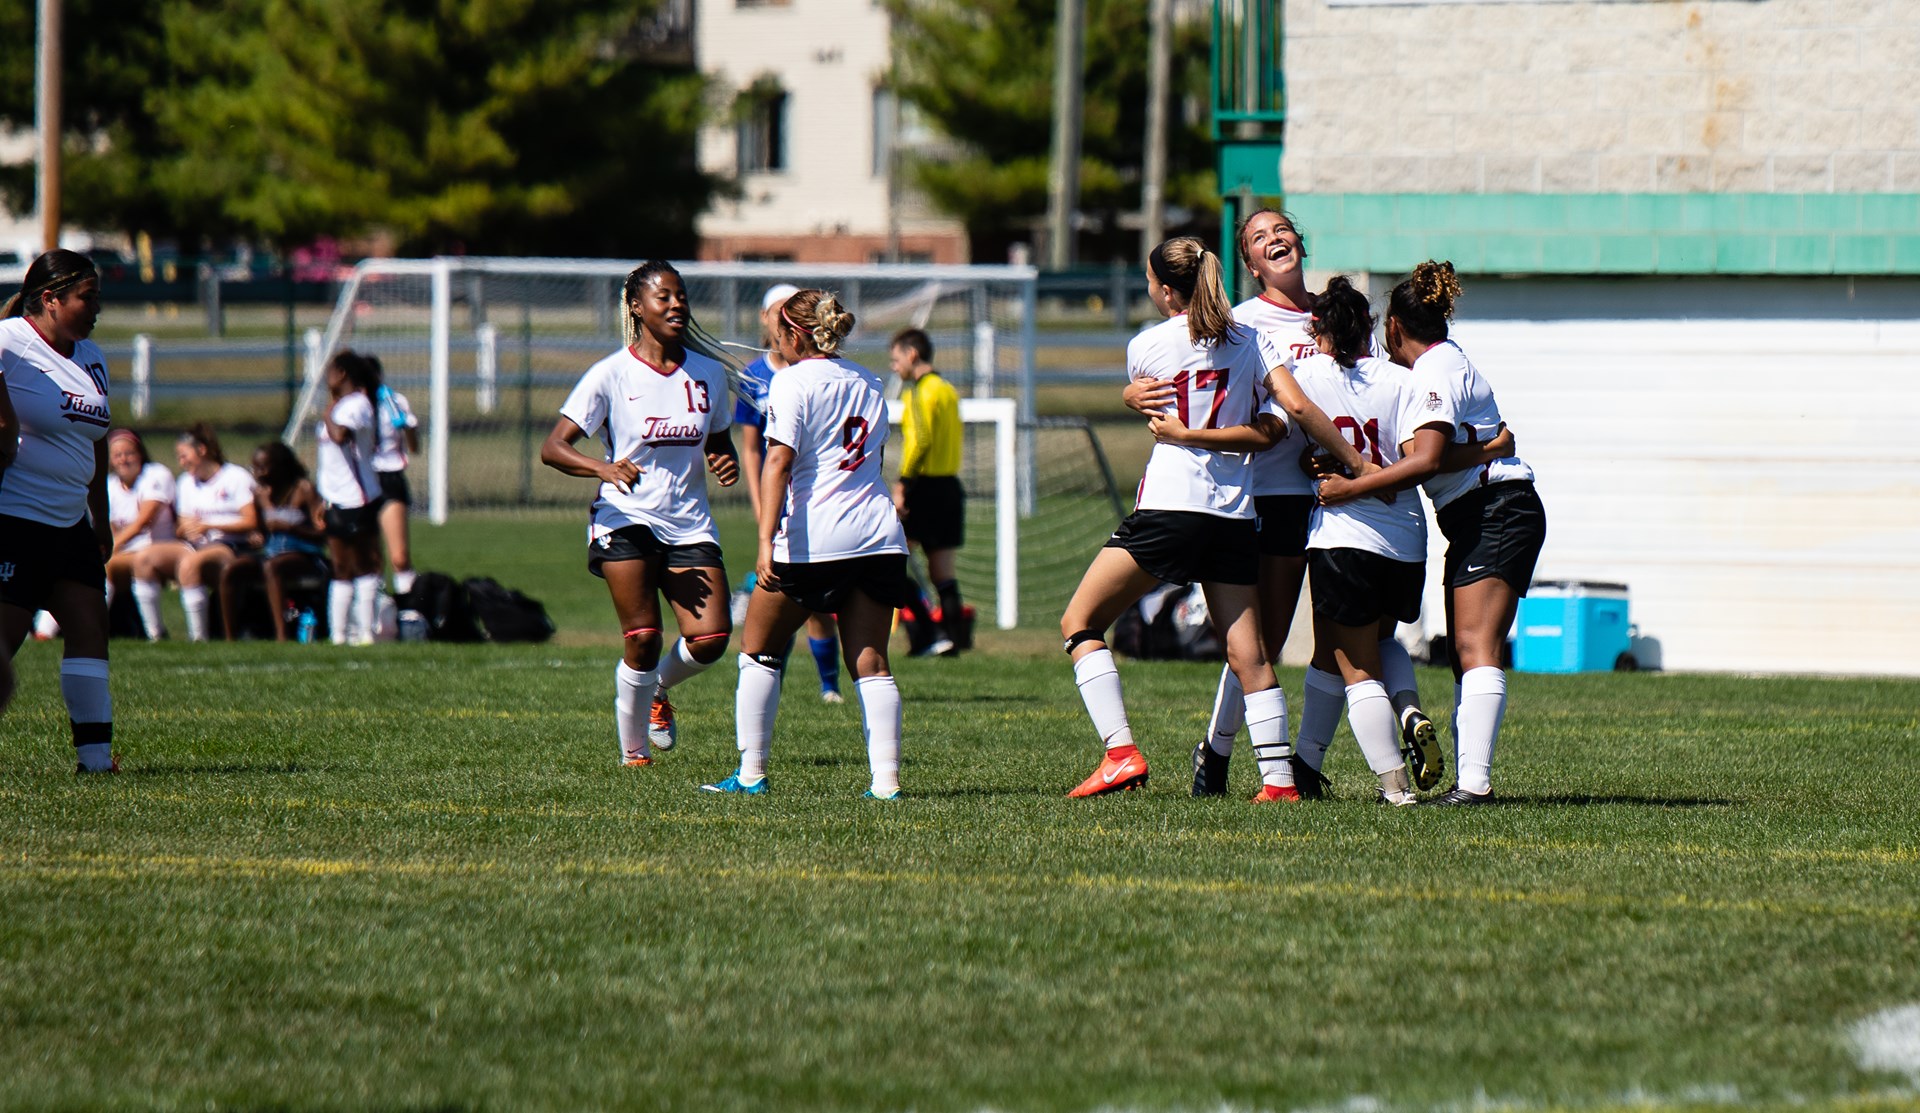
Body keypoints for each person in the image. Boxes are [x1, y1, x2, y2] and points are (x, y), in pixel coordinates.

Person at [1123, 212, 1372, 799]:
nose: (1274, 239)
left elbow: (1374, 381)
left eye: (1281, 229)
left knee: (1346, 636)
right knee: (1264, 643)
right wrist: (1131, 392)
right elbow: (1199, 386)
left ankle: (1303, 765)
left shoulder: (1338, 312)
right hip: (1272, 494)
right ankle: (1219, 750)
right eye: (1258, 238)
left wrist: (1357, 461)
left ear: (1301, 242)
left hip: (1346, 497)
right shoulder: (1243, 324)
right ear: (1250, 264)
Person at [1058, 236, 1297, 800]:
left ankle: (1120, 754)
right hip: (1234, 513)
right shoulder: (1253, 342)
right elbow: (1274, 429)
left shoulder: (1148, 345)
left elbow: (1151, 394)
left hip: (1171, 506)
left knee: (1080, 622)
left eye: (1148, 281)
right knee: (1250, 655)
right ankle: (1280, 782)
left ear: (1167, 291)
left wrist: (1134, 399)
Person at [1318, 262, 1544, 806]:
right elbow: (1440, 456)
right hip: (1483, 510)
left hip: (1496, 507)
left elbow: (1427, 462)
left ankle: (1475, 785)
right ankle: (1471, 781)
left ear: (1394, 326)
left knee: (1474, 645)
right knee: (1465, 651)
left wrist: (1352, 488)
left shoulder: (1435, 370)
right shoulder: (1442, 363)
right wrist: (1490, 447)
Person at [704, 289, 908, 798]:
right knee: (871, 661)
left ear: (795, 333)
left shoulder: (790, 382)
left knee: (758, 650)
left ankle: (751, 774)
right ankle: (886, 783)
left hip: (815, 538)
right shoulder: (869, 380)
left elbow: (777, 462)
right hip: (879, 535)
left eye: (778, 326)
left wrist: (765, 540)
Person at [541, 260, 740, 766]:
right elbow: (554, 447)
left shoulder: (709, 374)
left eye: (682, 297)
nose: (677, 305)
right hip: (624, 518)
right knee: (644, 637)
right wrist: (601, 469)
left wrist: (725, 459)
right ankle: (634, 757)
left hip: (689, 521)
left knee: (713, 638)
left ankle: (657, 691)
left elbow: (717, 441)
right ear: (637, 306)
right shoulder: (610, 373)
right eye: (664, 297)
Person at [1278, 276, 1467, 806]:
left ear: (1319, 329)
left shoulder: (1306, 375)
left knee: (1355, 667)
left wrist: (1336, 470)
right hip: (1406, 540)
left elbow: (1287, 419)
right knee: (1375, 645)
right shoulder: (1402, 380)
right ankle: (1403, 711)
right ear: (1370, 329)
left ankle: (1395, 790)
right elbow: (1411, 459)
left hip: (1345, 536)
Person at [0, 248, 117, 771]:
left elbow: (97, 440)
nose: (96, 309)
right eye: (86, 298)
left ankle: (95, 759)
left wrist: (101, 514)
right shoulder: (8, 345)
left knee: (89, 622)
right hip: (16, 518)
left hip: (71, 521)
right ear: (49, 299)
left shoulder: (91, 355)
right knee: (3, 642)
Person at [733, 282, 846, 704]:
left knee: (815, 602)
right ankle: (771, 677)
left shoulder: (810, 377)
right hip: (778, 496)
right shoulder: (756, 375)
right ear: (767, 319)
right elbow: (753, 448)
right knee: (779, 597)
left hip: (815, 499)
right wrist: (761, 505)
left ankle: (828, 684)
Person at [130, 423, 257, 642]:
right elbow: (182, 525)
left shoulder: (235, 477)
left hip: (231, 545)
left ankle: (199, 638)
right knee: (143, 559)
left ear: (202, 450)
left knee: (190, 564)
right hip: (196, 544)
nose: (181, 462)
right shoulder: (186, 483)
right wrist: (185, 528)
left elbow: (251, 521)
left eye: (184, 455)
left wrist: (210, 525)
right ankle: (156, 635)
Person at [889, 327, 966, 656]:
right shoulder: (947, 390)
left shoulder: (918, 392)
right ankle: (954, 640)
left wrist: (903, 484)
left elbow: (919, 441)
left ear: (911, 354)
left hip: (923, 487)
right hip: (950, 487)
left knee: (888, 562)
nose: (894, 367)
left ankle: (927, 635)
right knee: (943, 574)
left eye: (895, 359)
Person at [219, 442, 328, 642]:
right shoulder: (260, 494)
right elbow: (260, 531)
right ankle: (229, 637)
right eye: (255, 468)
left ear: (280, 466)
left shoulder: (303, 489)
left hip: (305, 555)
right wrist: (255, 536)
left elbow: (322, 535)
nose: (258, 473)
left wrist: (291, 529)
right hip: (272, 552)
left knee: (272, 567)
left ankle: (281, 635)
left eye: (263, 467)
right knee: (232, 568)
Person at [315, 350, 386, 646]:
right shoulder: (341, 404)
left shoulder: (356, 404)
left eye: (330, 370)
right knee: (340, 567)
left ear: (341, 373)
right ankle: (339, 635)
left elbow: (341, 436)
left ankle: (367, 632)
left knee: (365, 564)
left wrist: (328, 414)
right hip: (336, 499)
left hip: (359, 498)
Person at [104, 428, 176, 639]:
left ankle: (155, 633)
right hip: (128, 550)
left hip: (162, 545)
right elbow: (110, 525)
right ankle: (47, 632)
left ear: (141, 454)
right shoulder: (110, 484)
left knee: (136, 561)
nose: (123, 459)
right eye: (117, 455)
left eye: (129, 453)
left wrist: (113, 546)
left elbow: (144, 521)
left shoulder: (155, 474)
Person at [370, 370, 420, 598]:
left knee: (399, 557)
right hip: (360, 481)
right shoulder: (349, 407)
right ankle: (374, 618)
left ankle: (409, 610)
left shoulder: (394, 401)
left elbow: (414, 447)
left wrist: (407, 426)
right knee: (371, 560)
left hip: (390, 478)